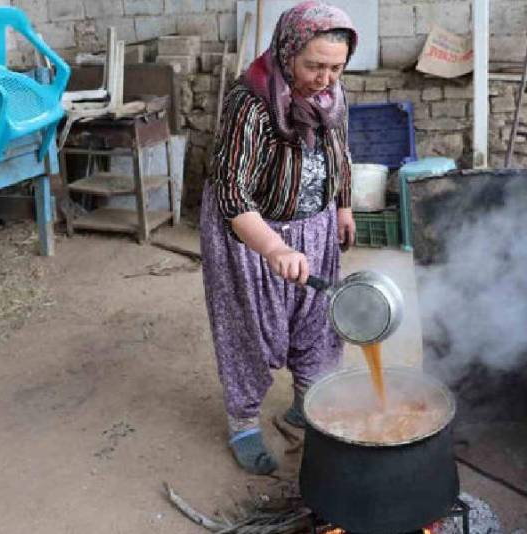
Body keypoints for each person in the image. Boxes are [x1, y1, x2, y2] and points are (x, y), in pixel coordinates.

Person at [200, 1, 358, 475]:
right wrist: (273, 247)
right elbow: (231, 191)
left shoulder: (332, 95)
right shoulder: (251, 102)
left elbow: (340, 150)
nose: (325, 78)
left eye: (336, 67)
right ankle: (244, 422)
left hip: (315, 225)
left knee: (318, 319)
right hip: (250, 233)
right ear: (288, 52)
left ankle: (306, 404)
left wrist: (343, 205)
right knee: (250, 328)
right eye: (314, 65)